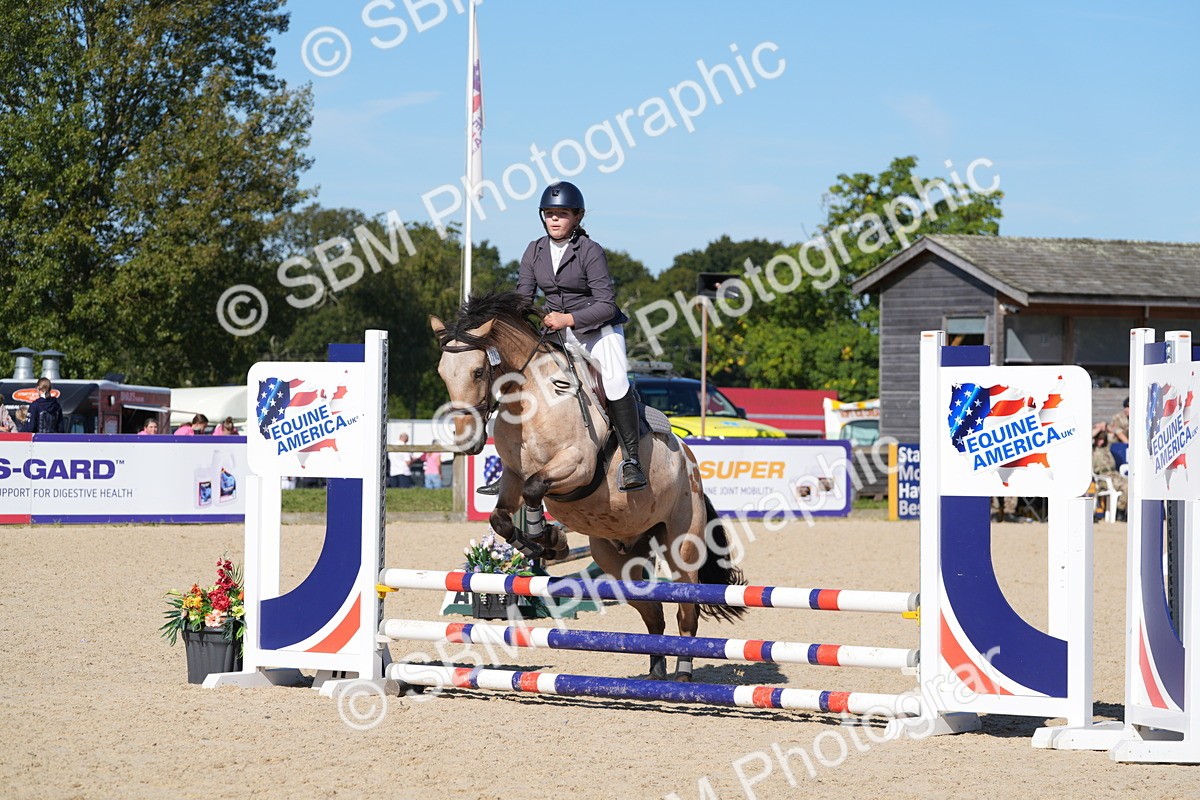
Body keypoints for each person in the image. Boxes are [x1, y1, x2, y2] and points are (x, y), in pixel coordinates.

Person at [490, 180, 645, 493]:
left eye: (561, 214)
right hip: (556, 334)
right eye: (549, 214)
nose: (554, 219)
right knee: (522, 380)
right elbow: (523, 297)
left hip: (597, 330)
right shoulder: (534, 250)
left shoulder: (590, 250)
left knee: (615, 381)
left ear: (577, 217)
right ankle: (513, 468)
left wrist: (568, 319)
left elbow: (606, 303)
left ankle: (632, 461)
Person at [1109, 397, 1129, 469]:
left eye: (1128, 407)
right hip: (1118, 445)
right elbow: (1118, 432)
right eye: (1125, 407)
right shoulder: (1118, 417)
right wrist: (1129, 443)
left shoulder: (1139, 417)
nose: (1126, 409)